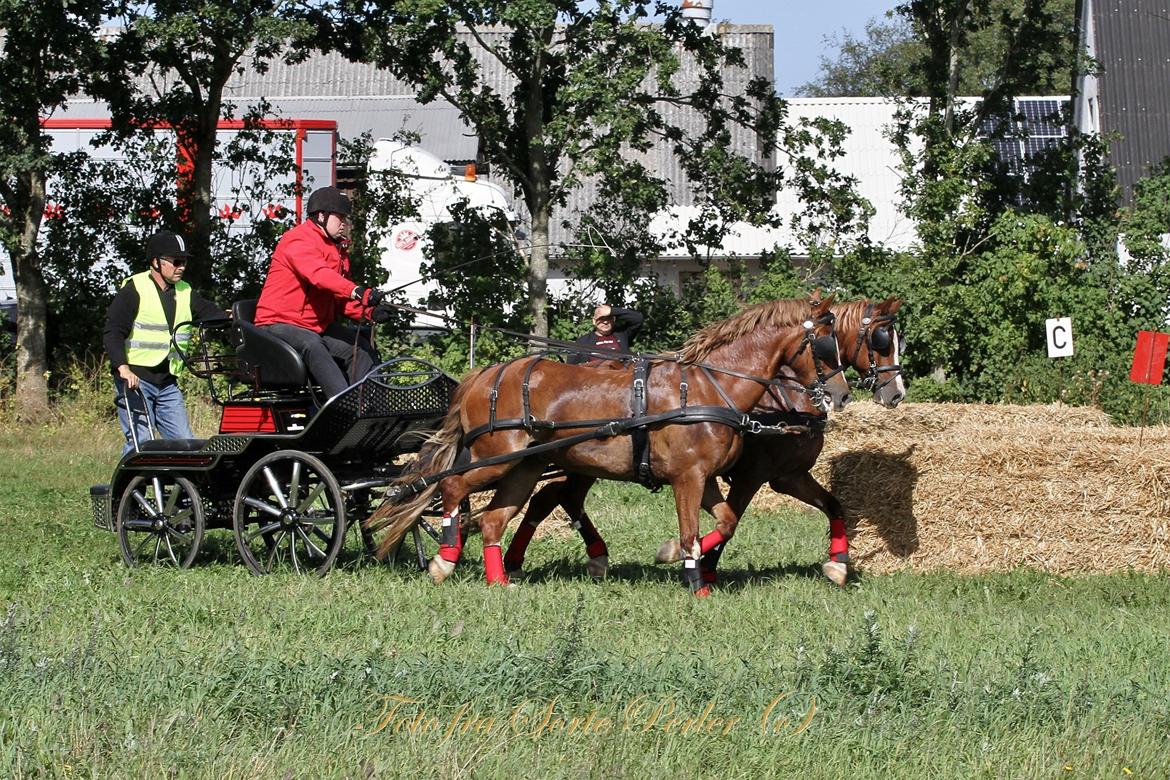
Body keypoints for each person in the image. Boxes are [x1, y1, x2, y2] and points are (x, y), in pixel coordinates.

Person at [253, 186, 384, 398]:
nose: (344, 223)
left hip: (314, 327)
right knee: (312, 344)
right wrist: (356, 291)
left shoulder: (336, 250)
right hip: (277, 324)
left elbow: (337, 297)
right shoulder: (297, 240)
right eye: (340, 217)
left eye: (345, 218)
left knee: (359, 348)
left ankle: (370, 405)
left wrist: (368, 311)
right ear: (321, 216)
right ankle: (342, 405)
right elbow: (319, 275)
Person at [103, 229, 226, 454]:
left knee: (185, 444)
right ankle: (132, 479)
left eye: (184, 262)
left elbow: (212, 314)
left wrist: (237, 318)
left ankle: (175, 479)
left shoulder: (185, 291)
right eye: (176, 261)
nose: (181, 267)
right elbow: (113, 332)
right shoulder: (135, 289)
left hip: (167, 383)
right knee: (140, 443)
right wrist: (123, 369)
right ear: (156, 262)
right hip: (136, 381)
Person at [567, 304, 644, 364]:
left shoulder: (622, 334)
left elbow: (638, 318)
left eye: (609, 318)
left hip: (621, 376)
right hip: (595, 378)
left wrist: (611, 311)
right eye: (601, 318)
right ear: (594, 321)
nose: (605, 322)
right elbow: (571, 367)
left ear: (613, 320)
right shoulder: (583, 341)